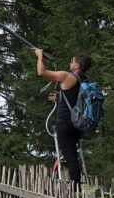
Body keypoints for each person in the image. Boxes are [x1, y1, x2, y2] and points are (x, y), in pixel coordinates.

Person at [34, 48, 92, 185]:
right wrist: (59, 98)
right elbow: (73, 98)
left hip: (65, 122)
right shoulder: (84, 81)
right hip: (77, 123)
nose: (70, 63)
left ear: (77, 65)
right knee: (72, 154)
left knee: (70, 157)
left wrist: (39, 56)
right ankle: (77, 185)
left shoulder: (67, 76)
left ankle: (75, 189)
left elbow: (41, 72)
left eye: (72, 61)